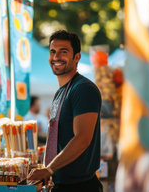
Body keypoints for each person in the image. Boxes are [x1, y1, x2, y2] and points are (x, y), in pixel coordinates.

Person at [27, 30, 102, 191]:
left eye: (64, 52)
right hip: (62, 184)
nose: (56, 57)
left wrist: (49, 169)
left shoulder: (83, 89)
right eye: (53, 51)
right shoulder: (61, 92)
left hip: (80, 187)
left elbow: (82, 138)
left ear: (77, 57)